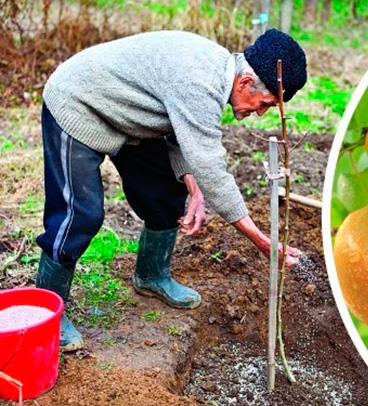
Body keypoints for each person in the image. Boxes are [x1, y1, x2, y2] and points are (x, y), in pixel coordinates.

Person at [35, 29, 307, 352]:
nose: (259, 113)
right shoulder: (200, 81)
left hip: (128, 114)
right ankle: (45, 315)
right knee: (79, 215)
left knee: (165, 194)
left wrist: (194, 188)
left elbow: (181, 133)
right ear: (246, 83)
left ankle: (151, 276)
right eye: (264, 104)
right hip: (79, 105)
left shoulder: (218, 76)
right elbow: (211, 168)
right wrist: (263, 241)